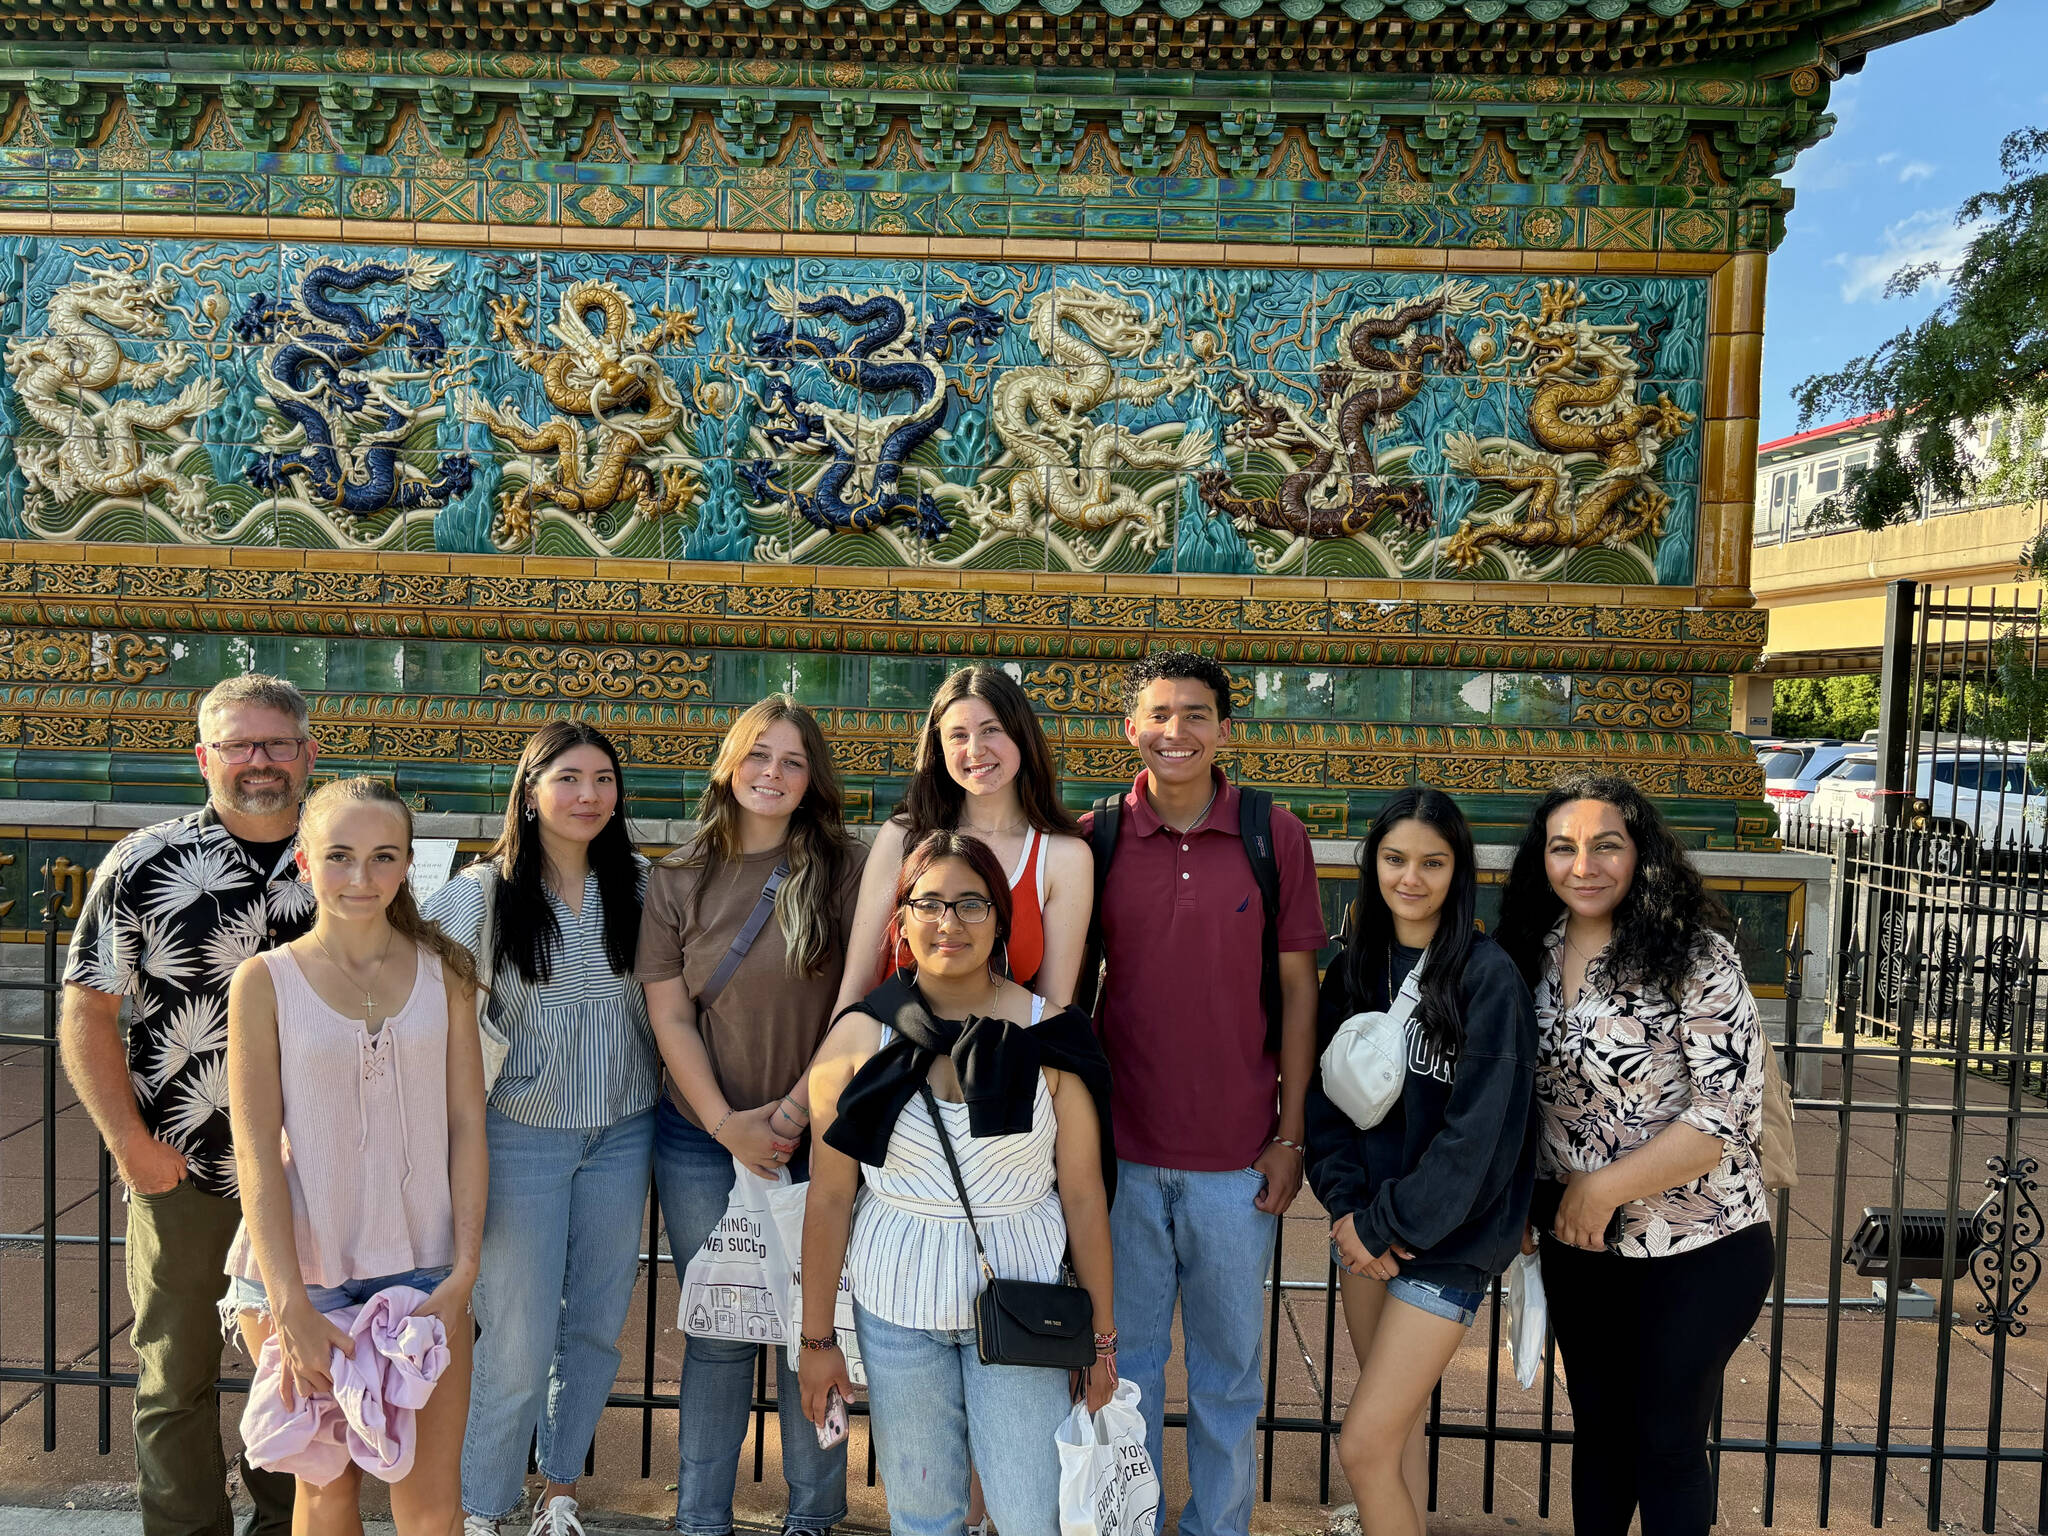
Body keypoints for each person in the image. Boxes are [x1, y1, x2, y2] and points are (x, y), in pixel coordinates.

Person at [799, 832, 1118, 1536]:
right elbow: (828, 1197)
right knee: (923, 1514)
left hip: (1021, 1305)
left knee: (1033, 1512)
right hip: (895, 1306)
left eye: (972, 904)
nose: (950, 923)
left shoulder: (1052, 1036)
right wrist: (817, 1341)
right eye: (930, 903)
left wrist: (1101, 1340)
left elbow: (1085, 1197)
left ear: (1002, 919)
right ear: (901, 920)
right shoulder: (858, 1038)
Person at [59, 673, 319, 1536]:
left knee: (301, 1363)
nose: (260, 762)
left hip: (312, 1170)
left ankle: (291, 1522)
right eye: (239, 745)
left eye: (276, 743)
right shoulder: (143, 864)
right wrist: (132, 1148)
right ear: (204, 757)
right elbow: (88, 1008)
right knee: (176, 1375)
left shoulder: (345, 857)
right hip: (186, 1163)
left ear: (307, 753)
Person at [1081, 650, 1326, 1536]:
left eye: (1195, 715)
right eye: (1158, 714)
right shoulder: (1097, 835)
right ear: (1129, 728)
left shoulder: (1273, 834)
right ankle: (1129, 1523)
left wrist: (1289, 1133)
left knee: (1229, 1370)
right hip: (1127, 1157)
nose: (1175, 732)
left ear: (1226, 729)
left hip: (1237, 1161)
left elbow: (1301, 992)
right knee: (1127, 1367)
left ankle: (1218, 1526)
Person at [1494, 773, 1773, 1536]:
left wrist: (1603, 1188)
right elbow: (1506, 1096)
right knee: (1603, 1439)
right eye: (1563, 847)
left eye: (1605, 845)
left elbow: (1725, 1116)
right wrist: (1522, 1199)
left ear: (1641, 853)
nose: (1583, 865)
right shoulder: (1524, 956)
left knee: (1669, 1438)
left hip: (1700, 1241)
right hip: (1581, 1246)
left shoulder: (1695, 956)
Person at [223, 775, 489, 1536]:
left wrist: (464, 1268)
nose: (360, 878)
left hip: (428, 1270)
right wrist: (288, 1303)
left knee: (432, 1505)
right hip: (303, 1275)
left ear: (408, 865)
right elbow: (256, 1152)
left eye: (382, 857)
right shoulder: (264, 982)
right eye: (338, 856)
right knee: (326, 1494)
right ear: (304, 861)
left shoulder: (449, 975)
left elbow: (468, 1123)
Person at [637, 696, 866, 1536]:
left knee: (815, 1327)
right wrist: (727, 1122)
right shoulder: (677, 877)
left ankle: (814, 1516)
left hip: (819, 1140)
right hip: (702, 1139)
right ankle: (702, 1517)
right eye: (757, 756)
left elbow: (859, 1000)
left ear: (812, 781)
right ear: (729, 765)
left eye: (793, 761)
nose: (772, 773)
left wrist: (799, 1108)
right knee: (719, 1330)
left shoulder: (844, 871)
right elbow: (669, 1016)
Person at [423, 723, 656, 1536]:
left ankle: (560, 1491)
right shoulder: (479, 894)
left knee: (594, 1324)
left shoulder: (641, 887)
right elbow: (432, 1013)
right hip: (517, 1134)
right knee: (517, 1339)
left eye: (602, 779)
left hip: (623, 1132)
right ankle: (483, 1505)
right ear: (530, 790)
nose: (587, 795)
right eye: (567, 778)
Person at [1303, 789, 1538, 1536]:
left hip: (1444, 1244)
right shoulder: (1354, 968)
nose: (1412, 878)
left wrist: (1390, 1225)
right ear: (1373, 863)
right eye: (1396, 859)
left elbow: (1480, 1136)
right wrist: (1348, 1211)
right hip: (1365, 1232)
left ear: (1458, 871)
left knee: (1364, 1444)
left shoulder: (1487, 977)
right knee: (1395, 1431)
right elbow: (1324, 1102)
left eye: (1433, 863)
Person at [838, 664, 1092, 1011]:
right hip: (893, 1052)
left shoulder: (1065, 856)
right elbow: (858, 984)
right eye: (958, 735)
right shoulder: (903, 837)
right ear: (939, 749)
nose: (975, 750)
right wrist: (828, 1062)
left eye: (991, 730)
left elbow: (1051, 1008)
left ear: (1022, 736)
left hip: (997, 1057)